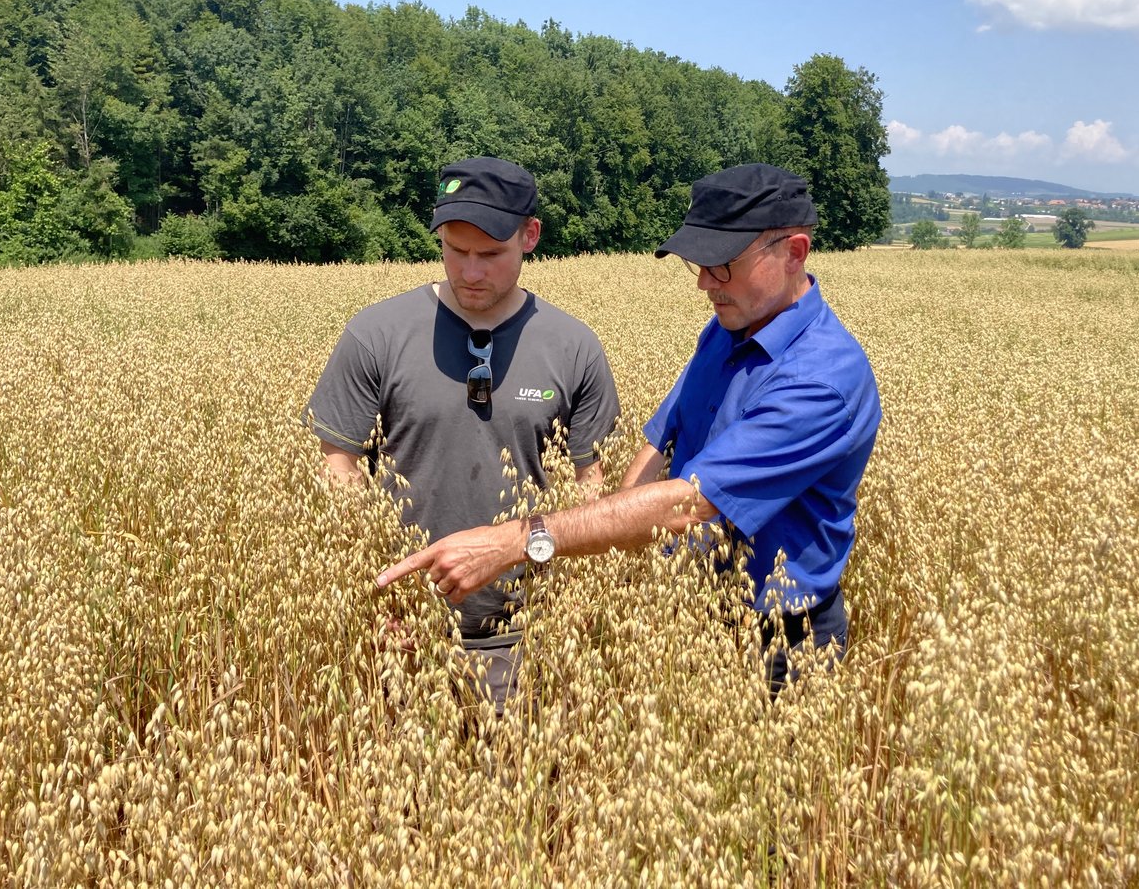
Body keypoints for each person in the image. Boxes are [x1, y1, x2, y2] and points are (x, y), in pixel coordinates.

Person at [375, 163, 882, 690]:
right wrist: (608, 566)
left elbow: (687, 502)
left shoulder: (821, 381)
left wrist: (516, 542)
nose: (707, 282)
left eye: (723, 265)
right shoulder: (734, 323)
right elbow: (661, 441)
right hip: (685, 620)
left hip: (776, 643)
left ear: (794, 252)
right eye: (699, 264)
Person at [306, 156, 620, 712]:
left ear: (530, 236)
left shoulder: (574, 348)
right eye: (456, 250)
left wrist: (572, 612)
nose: (470, 272)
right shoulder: (375, 335)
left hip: (530, 640)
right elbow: (339, 471)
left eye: (491, 255)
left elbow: (591, 488)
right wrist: (377, 603)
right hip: (400, 639)